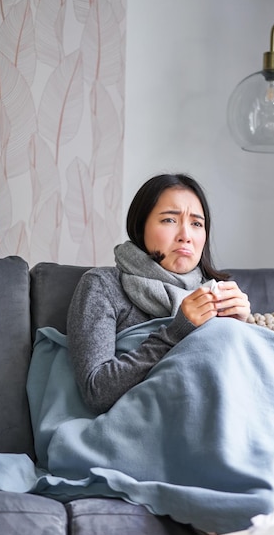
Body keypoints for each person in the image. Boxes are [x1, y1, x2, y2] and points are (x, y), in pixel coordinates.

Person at [67, 173, 251, 414]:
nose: (186, 235)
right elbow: (96, 390)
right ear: (140, 226)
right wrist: (178, 331)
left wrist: (245, 328)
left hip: (219, 414)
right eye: (169, 220)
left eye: (196, 223)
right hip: (144, 420)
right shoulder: (102, 285)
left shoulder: (217, 294)